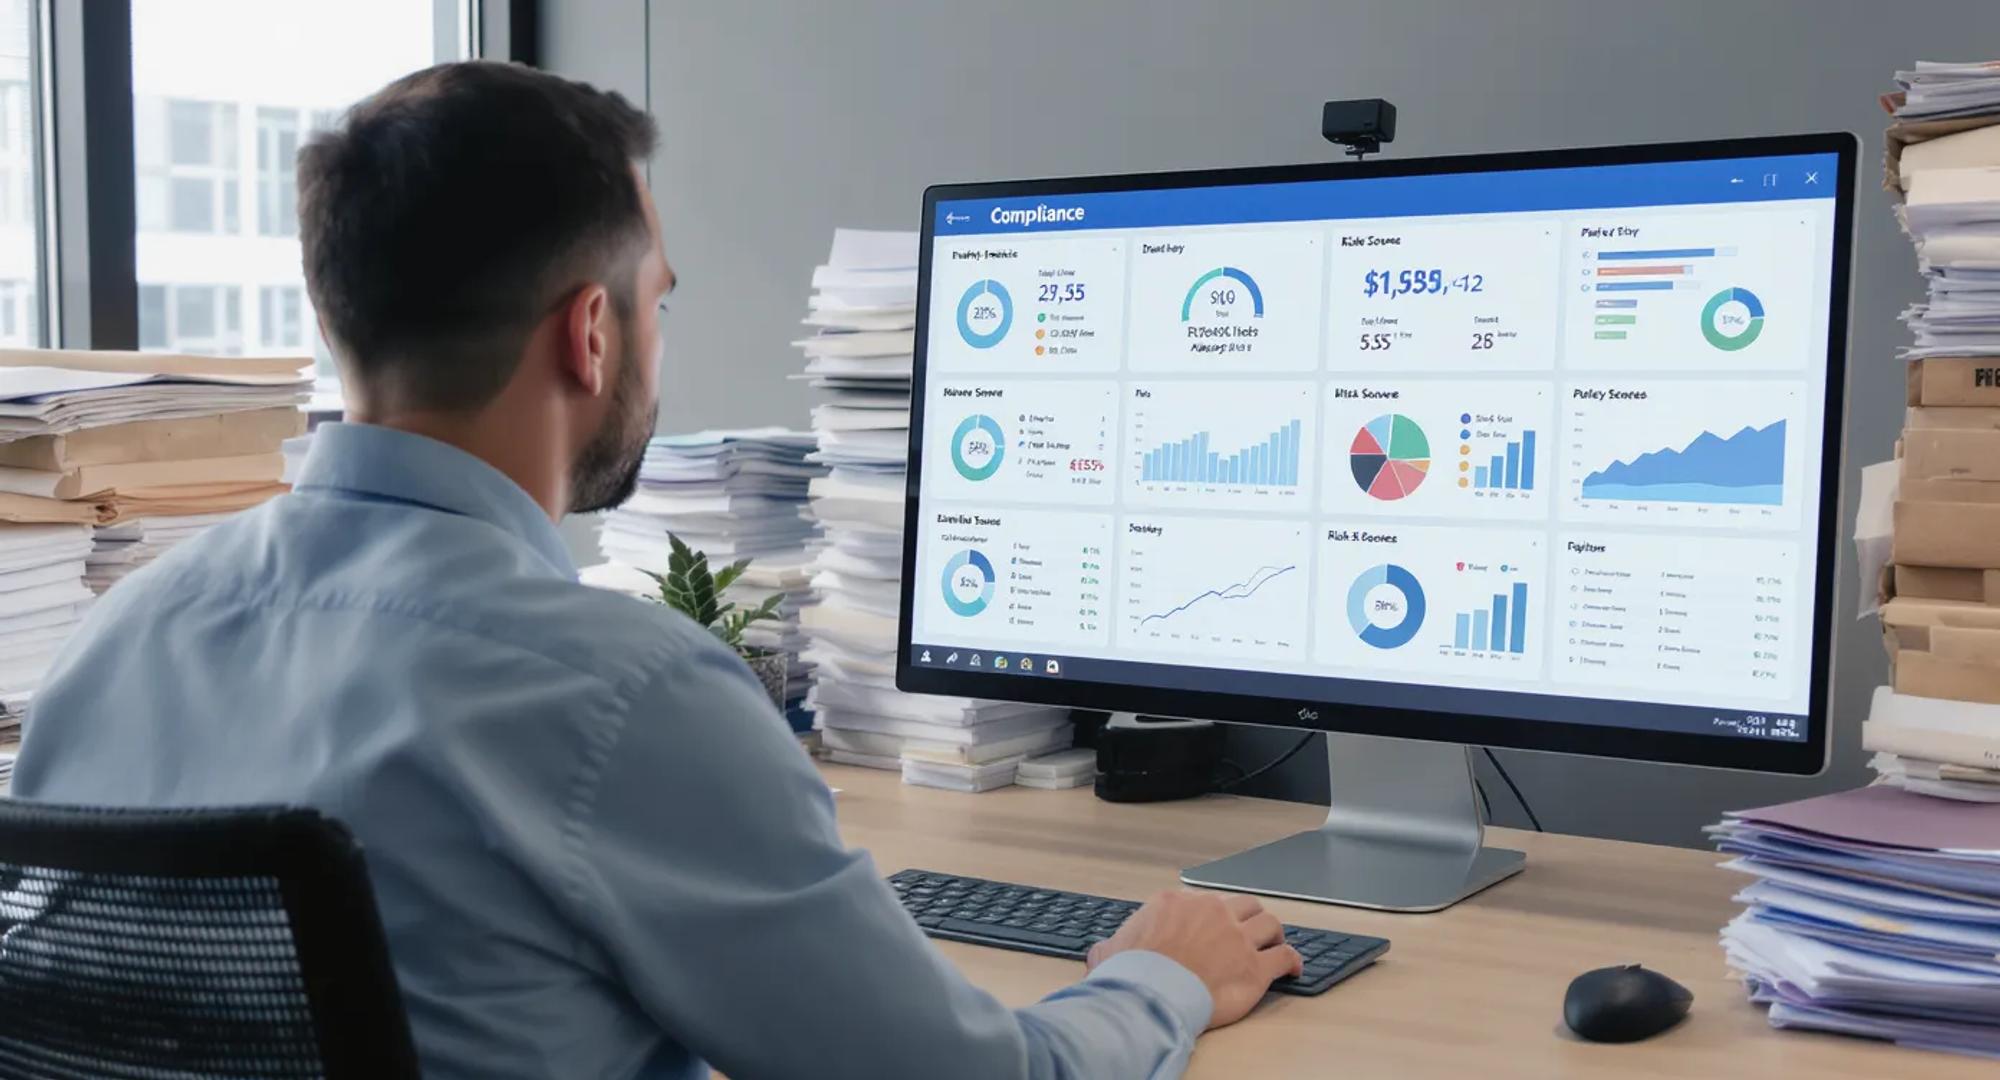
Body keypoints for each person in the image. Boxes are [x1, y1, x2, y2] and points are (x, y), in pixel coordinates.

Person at [12, 61, 1300, 1079]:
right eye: (657, 301)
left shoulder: (125, 633)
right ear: (589, 331)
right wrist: (1161, 972)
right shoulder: (621, 695)